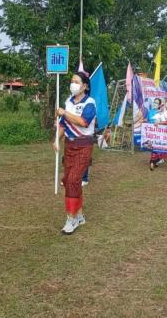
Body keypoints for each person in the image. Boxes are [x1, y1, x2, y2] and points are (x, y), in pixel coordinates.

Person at [54, 72, 96, 235]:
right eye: (72, 81)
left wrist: (64, 112)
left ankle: (71, 219)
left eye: (76, 82)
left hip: (84, 145)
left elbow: (83, 122)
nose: (73, 84)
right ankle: (79, 215)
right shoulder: (68, 102)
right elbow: (63, 125)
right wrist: (56, 139)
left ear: (84, 86)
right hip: (69, 146)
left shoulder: (90, 102)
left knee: (73, 180)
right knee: (70, 181)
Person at [148, 98, 166, 170]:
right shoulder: (150, 111)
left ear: (159, 105)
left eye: (157, 103)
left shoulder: (161, 113)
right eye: (154, 102)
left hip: (158, 132)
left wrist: (159, 122)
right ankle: (153, 162)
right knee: (153, 147)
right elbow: (148, 120)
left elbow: (164, 122)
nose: (155, 104)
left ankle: (153, 162)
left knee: (157, 147)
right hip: (151, 132)